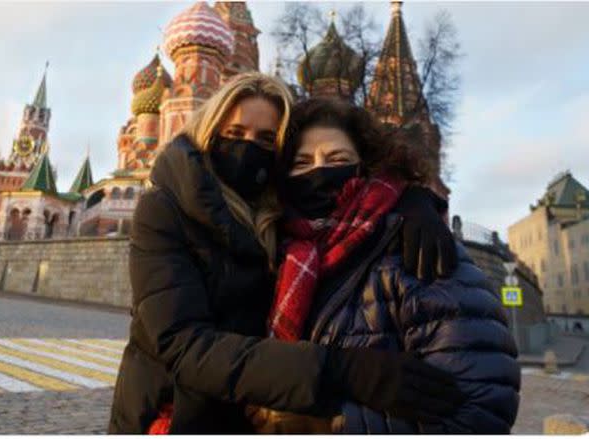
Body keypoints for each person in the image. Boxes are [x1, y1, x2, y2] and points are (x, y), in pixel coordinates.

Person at [107, 73, 463, 434]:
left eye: (265, 139)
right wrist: (338, 371)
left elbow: (357, 198)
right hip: (174, 416)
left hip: (247, 419)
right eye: (234, 133)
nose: (248, 149)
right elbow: (184, 345)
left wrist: (413, 201)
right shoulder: (165, 208)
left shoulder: (281, 218)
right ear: (208, 131)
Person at [246, 97, 520, 433]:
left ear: (366, 166)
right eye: (302, 163)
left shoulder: (416, 247)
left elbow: (480, 410)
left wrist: (321, 423)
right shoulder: (275, 257)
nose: (319, 171)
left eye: (338, 159)